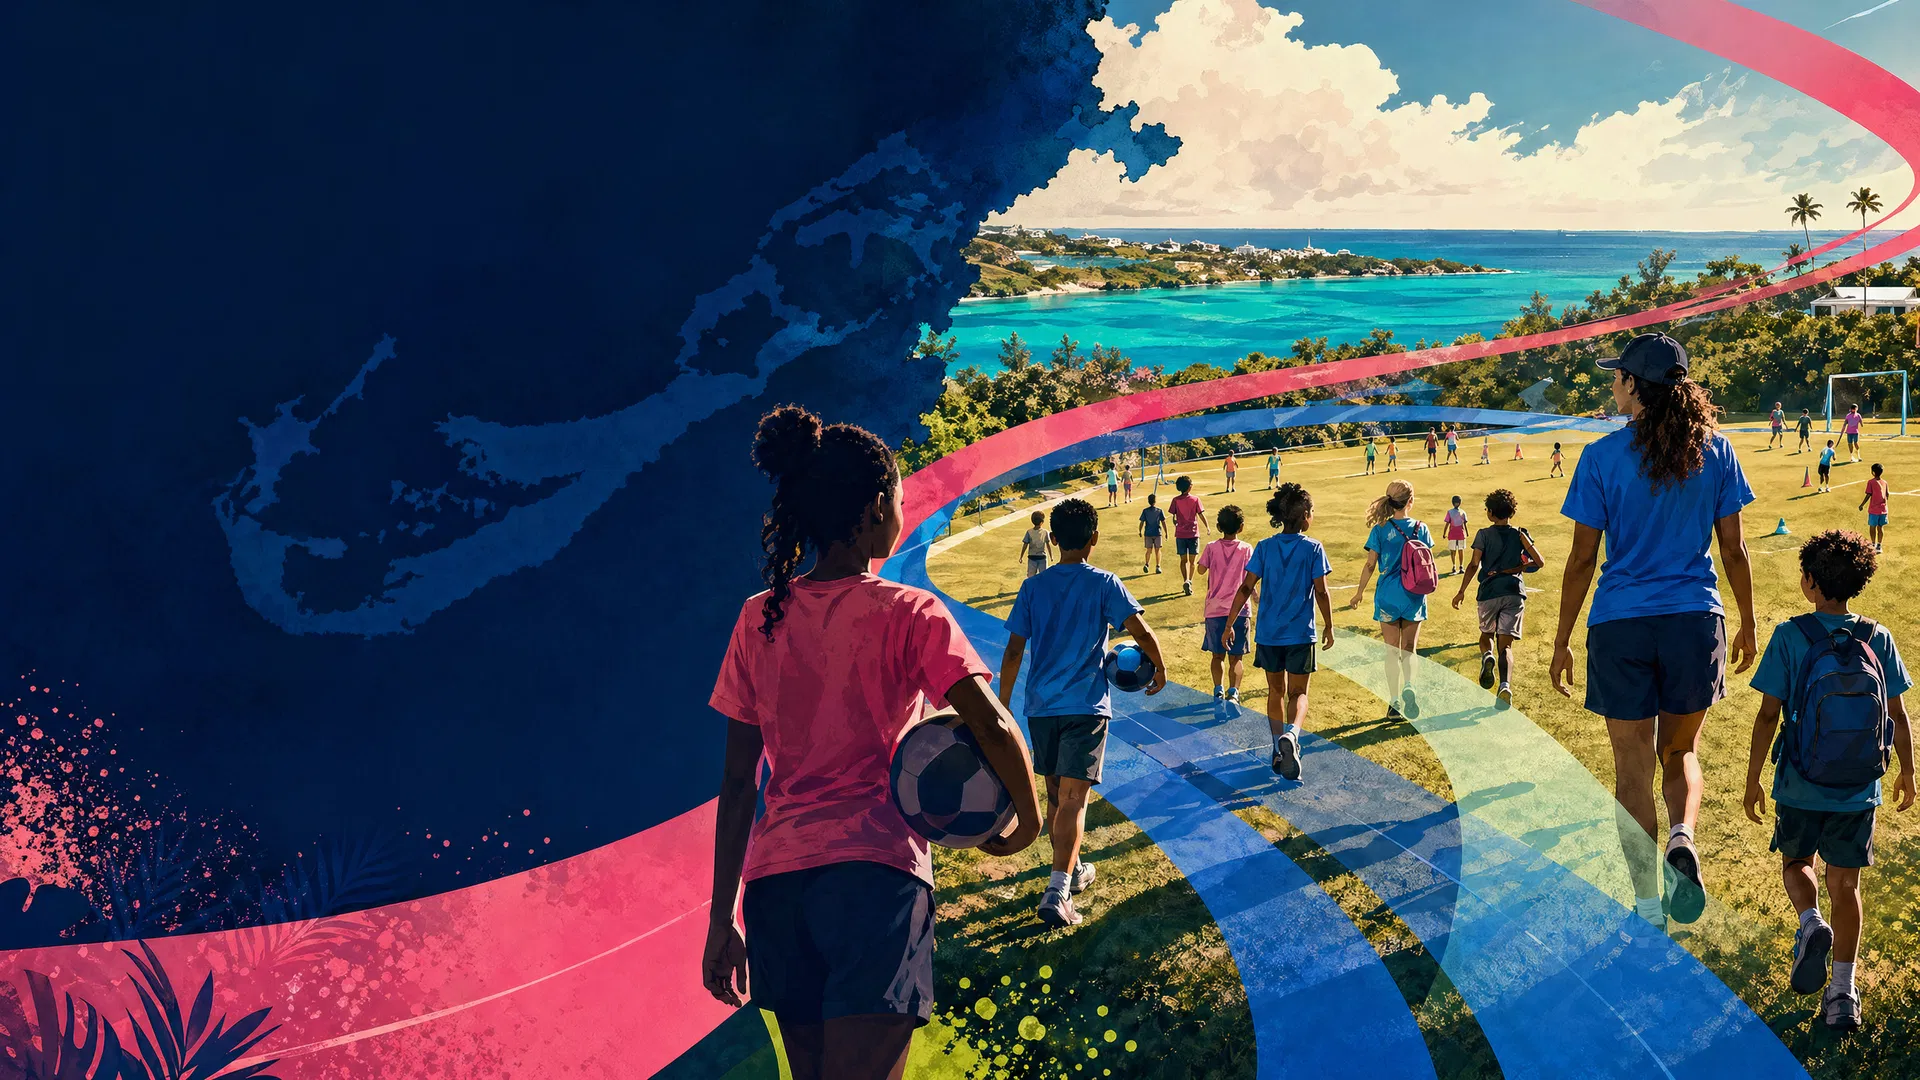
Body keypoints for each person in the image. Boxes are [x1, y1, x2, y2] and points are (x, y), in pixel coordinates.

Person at [705, 406, 1042, 1080]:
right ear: (873, 508)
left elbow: (740, 785)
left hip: (775, 892)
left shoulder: (756, 618)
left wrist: (721, 921)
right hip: (874, 882)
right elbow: (994, 725)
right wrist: (1028, 821)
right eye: (897, 495)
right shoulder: (909, 611)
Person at [1549, 332, 1756, 932]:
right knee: (1680, 751)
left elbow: (1583, 560)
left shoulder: (1601, 456)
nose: (1612, 385)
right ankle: (1682, 838)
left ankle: (1645, 903)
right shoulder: (1716, 452)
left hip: (1621, 625)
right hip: (1696, 620)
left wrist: (1562, 637)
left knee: (1631, 767)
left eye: (1618, 377)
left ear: (1634, 385)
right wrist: (1746, 620)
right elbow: (1735, 550)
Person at [1742, 529, 1914, 1032]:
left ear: (1810, 583)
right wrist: (1907, 771)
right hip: (1860, 787)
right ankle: (1843, 993)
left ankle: (1809, 922)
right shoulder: (1877, 637)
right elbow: (1898, 714)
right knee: (1847, 883)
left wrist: (1753, 778)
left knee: (1797, 863)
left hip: (1799, 783)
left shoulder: (1790, 636)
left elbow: (1766, 717)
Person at [1000, 498, 1167, 927]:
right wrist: (1160, 665)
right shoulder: (1104, 582)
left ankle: (1070, 873)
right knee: (1075, 798)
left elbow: (1015, 649)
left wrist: (1002, 702)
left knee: (1058, 795)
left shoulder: (1033, 587)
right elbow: (1140, 630)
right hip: (1086, 706)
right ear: (1094, 538)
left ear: (1053, 540)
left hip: (1041, 707)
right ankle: (1057, 892)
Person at [1227, 482, 1333, 781]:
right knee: (1299, 693)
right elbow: (1322, 592)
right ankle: (1293, 735)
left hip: (1269, 635)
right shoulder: (1313, 547)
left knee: (1275, 691)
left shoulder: (1263, 547)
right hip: (1301, 634)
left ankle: (1276, 747)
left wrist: (1228, 624)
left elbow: (1246, 587)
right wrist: (1329, 625)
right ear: (1305, 517)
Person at [1347, 479, 1433, 721]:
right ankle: (1410, 686)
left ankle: (1394, 702)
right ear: (1410, 501)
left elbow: (1370, 564)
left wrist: (1359, 592)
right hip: (1413, 594)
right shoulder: (1421, 528)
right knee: (1409, 649)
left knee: (1390, 651)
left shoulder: (1380, 529)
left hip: (1387, 595)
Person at [1452, 488, 1542, 708]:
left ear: (1491, 513)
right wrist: (1519, 567)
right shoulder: (1520, 534)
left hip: (1489, 592)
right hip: (1514, 593)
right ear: (1511, 512)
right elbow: (1539, 562)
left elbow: (1474, 564)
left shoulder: (1483, 534)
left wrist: (1462, 590)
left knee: (1485, 635)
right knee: (1507, 647)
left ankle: (1487, 656)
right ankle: (1505, 686)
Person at [1198, 505, 1253, 703]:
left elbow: (1201, 570)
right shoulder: (1247, 549)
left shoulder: (1212, 547)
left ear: (1219, 526)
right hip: (1240, 610)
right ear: (1241, 527)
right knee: (1236, 657)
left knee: (1216, 655)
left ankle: (1218, 689)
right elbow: (1251, 578)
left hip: (1214, 609)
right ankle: (1234, 692)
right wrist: (1255, 595)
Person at [1170, 475, 1209, 596]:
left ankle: (1185, 580)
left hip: (1180, 534)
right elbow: (1201, 515)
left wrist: (1176, 522)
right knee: (1192, 561)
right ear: (1189, 487)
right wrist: (1207, 526)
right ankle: (1189, 581)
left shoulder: (1175, 500)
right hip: (1193, 534)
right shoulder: (1196, 499)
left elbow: (1174, 517)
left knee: (1183, 560)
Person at [1860, 463, 1888, 553]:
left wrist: (1862, 505)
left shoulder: (1871, 482)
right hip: (1883, 510)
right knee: (1880, 527)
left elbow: (1868, 494)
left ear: (1873, 472)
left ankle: (1873, 544)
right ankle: (1879, 545)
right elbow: (1887, 495)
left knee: (1872, 527)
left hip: (1874, 510)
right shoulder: (1885, 482)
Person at [1138, 493, 1166, 575]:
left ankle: (1147, 564)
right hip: (1157, 533)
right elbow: (1163, 522)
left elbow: (1142, 522)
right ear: (1155, 501)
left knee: (1148, 550)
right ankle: (1158, 566)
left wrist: (1140, 531)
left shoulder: (1145, 511)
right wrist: (1166, 532)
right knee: (1157, 550)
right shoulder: (1159, 511)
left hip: (1148, 533)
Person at [1019, 510, 1052, 578]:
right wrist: (1051, 556)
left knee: (1031, 576)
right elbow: (1048, 545)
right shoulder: (1045, 532)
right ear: (1042, 522)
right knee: (1044, 576)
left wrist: (1021, 556)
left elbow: (1025, 545)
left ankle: (1032, 588)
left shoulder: (1029, 532)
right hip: (1042, 558)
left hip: (1032, 558)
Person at [1442, 495, 1469, 576]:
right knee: (1461, 550)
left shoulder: (1449, 512)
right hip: (1461, 533)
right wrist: (1466, 533)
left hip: (1452, 533)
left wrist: (1444, 533)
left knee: (1453, 551)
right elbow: (1464, 524)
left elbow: (1447, 524)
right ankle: (1461, 566)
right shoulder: (1463, 512)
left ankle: (1454, 566)